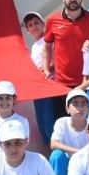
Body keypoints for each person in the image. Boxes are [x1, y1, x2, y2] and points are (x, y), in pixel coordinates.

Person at [43, 0, 89, 123]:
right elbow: (47, 46)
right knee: (63, 122)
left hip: (87, 82)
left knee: (88, 123)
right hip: (62, 84)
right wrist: (47, 69)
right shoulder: (52, 20)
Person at [23, 11, 56, 140]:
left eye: (36, 23)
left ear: (43, 24)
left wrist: (45, 71)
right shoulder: (34, 46)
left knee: (50, 122)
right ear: (27, 30)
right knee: (42, 122)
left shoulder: (48, 41)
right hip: (39, 91)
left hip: (49, 88)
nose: (34, 27)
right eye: (30, 25)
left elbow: (55, 62)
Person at [49, 89, 89, 175]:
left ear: (88, 109)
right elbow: (53, 144)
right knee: (56, 155)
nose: (79, 108)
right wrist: (77, 151)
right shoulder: (61, 122)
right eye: (75, 104)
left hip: (88, 163)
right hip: (68, 164)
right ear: (67, 109)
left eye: (83, 104)